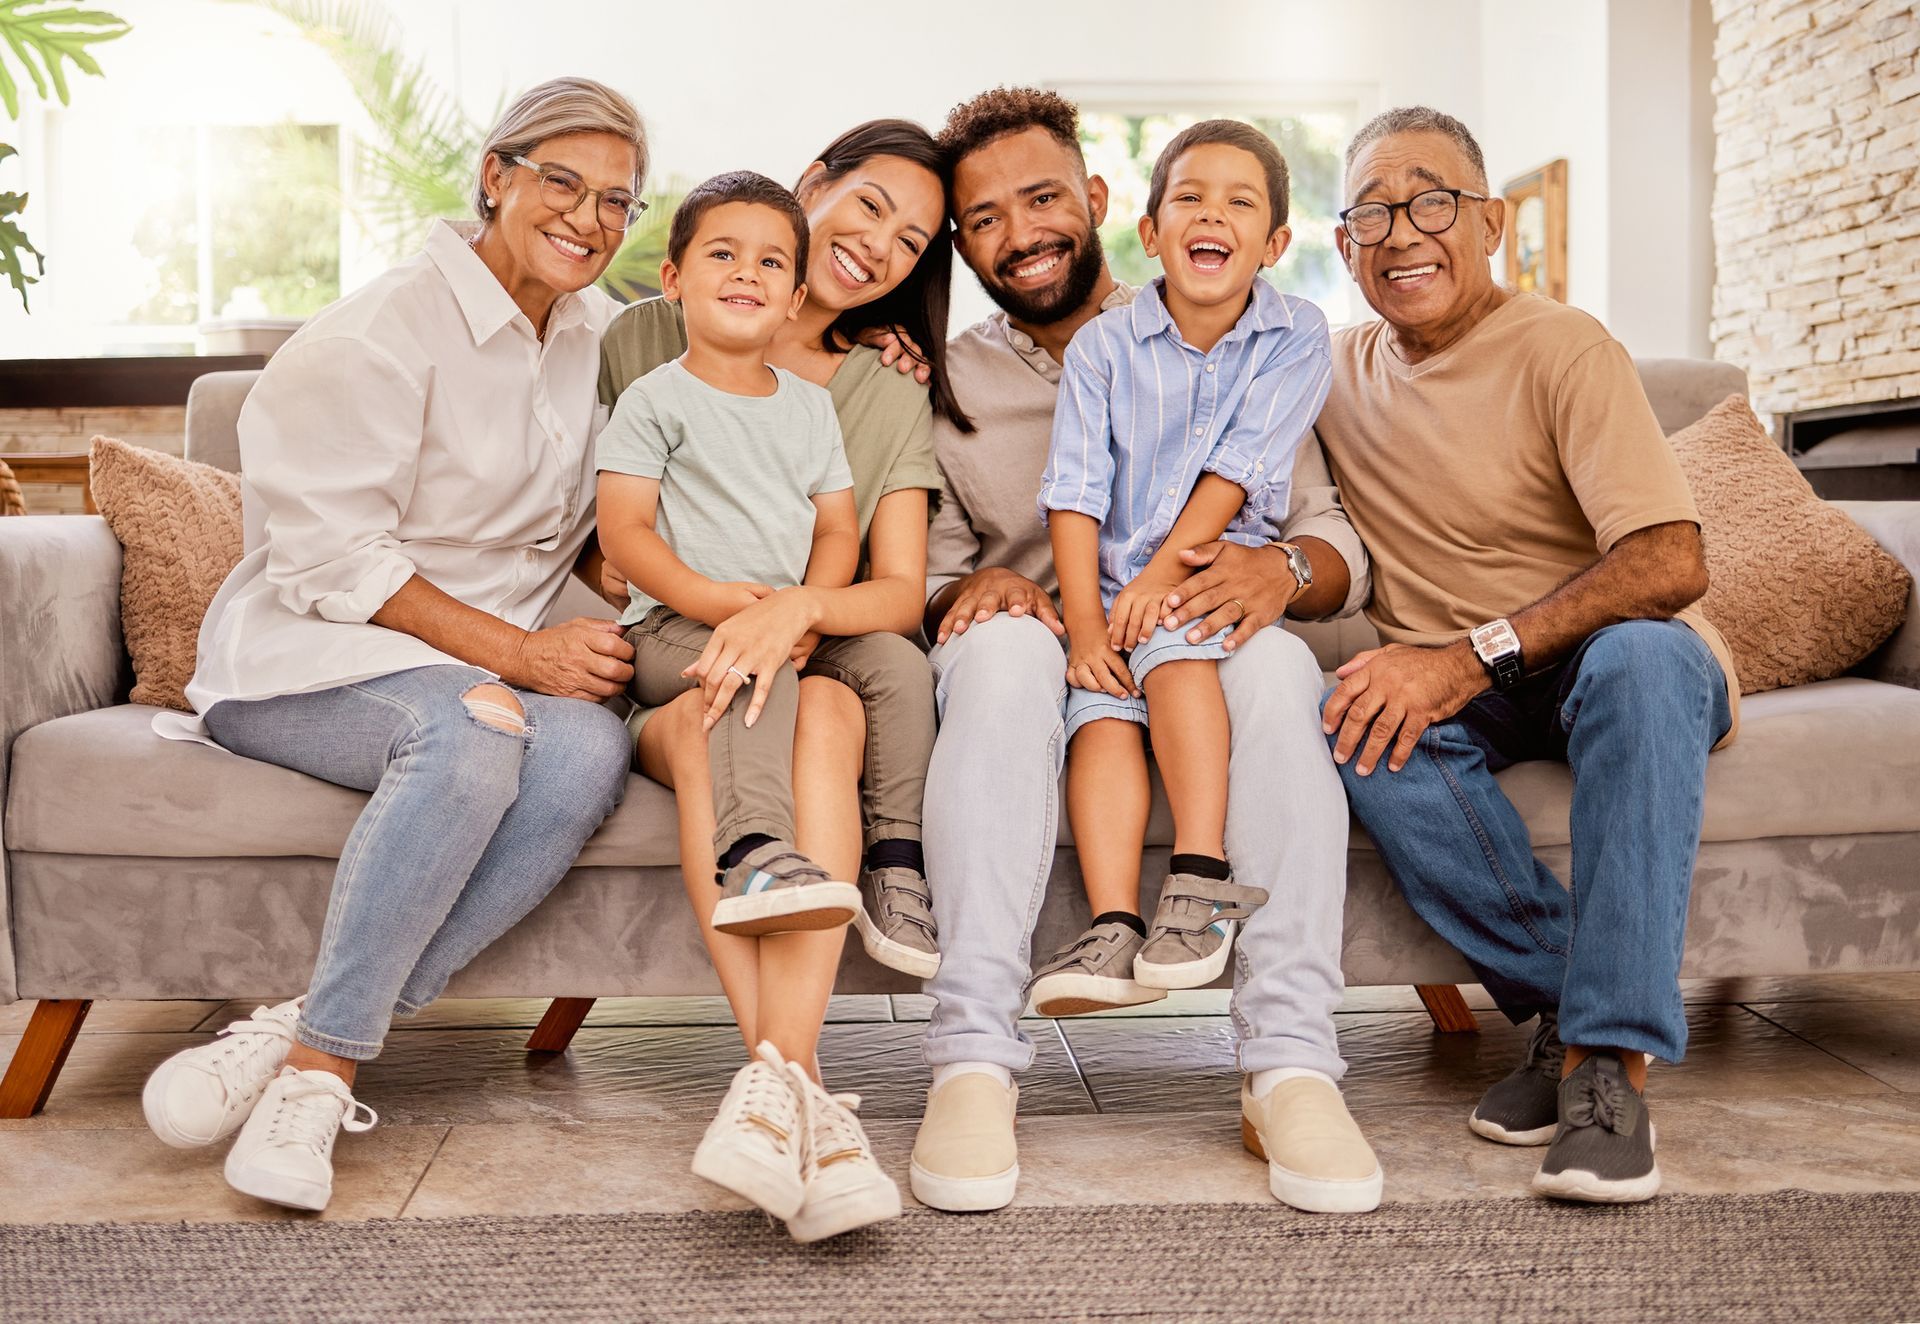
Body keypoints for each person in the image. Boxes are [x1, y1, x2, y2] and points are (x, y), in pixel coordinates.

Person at [139, 78, 648, 1212]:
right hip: (310, 652)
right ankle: (322, 1078)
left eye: (618, 200)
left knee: (585, 756)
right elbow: (335, 566)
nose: (589, 218)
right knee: (473, 736)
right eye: (561, 180)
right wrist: (519, 657)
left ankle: (289, 1026)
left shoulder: (602, 334)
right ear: (495, 176)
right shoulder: (377, 332)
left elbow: (722, 373)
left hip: (491, 659)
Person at [907, 87, 1382, 1217]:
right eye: (984, 219)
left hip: (1205, 621)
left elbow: (1329, 533)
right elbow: (919, 567)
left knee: (1268, 662)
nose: (1018, 234)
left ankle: (1293, 1060)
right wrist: (974, 585)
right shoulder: (941, 375)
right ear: (962, 243)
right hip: (1041, 638)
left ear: (1104, 204)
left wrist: (1287, 573)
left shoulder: (1249, 333)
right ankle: (972, 1056)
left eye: (1042, 198)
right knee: (1011, 651)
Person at [1315, 106, 1738, 1204]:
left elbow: (1668, 561)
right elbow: (1172, 342)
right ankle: (1571, 1006)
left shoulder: (1565, 345)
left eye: (1432, 200)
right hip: (1476, 689)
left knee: (1641, 664)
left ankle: (1607, 1068)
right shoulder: (1324, 371)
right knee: (1356, 720)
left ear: (1490, 221)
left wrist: (1470, 653)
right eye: (1370, 209)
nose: (1401, 231)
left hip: (1620, 656)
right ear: (1341, 244)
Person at [595, 121, 961, 1239]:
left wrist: (794, 609)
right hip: (671, 652)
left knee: (840, 698)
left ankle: (776, 1092)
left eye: (914, 239)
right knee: (732, 698)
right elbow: (617, 538)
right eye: (867, 207)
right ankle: (802, 1092)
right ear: (815, 191)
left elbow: (883, 584)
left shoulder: (873, 395)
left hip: (791, 659)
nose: (881, 246)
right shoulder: (647, 342)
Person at [1032, 119, 1329, 1016]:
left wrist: (1159, 580)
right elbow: (1075, 493)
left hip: (1210, 572)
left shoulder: (1296, 334)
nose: (1213, 215)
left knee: (1172, 646)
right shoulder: (1103, 348)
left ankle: (1202, 876)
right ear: (1150, 231)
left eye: (1241, 203)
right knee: (1099, 715)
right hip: (1114, 581)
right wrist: (1085, 626)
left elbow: (1240, 466)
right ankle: (1116, 923)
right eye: (1190, 198)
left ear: (1274, 243)